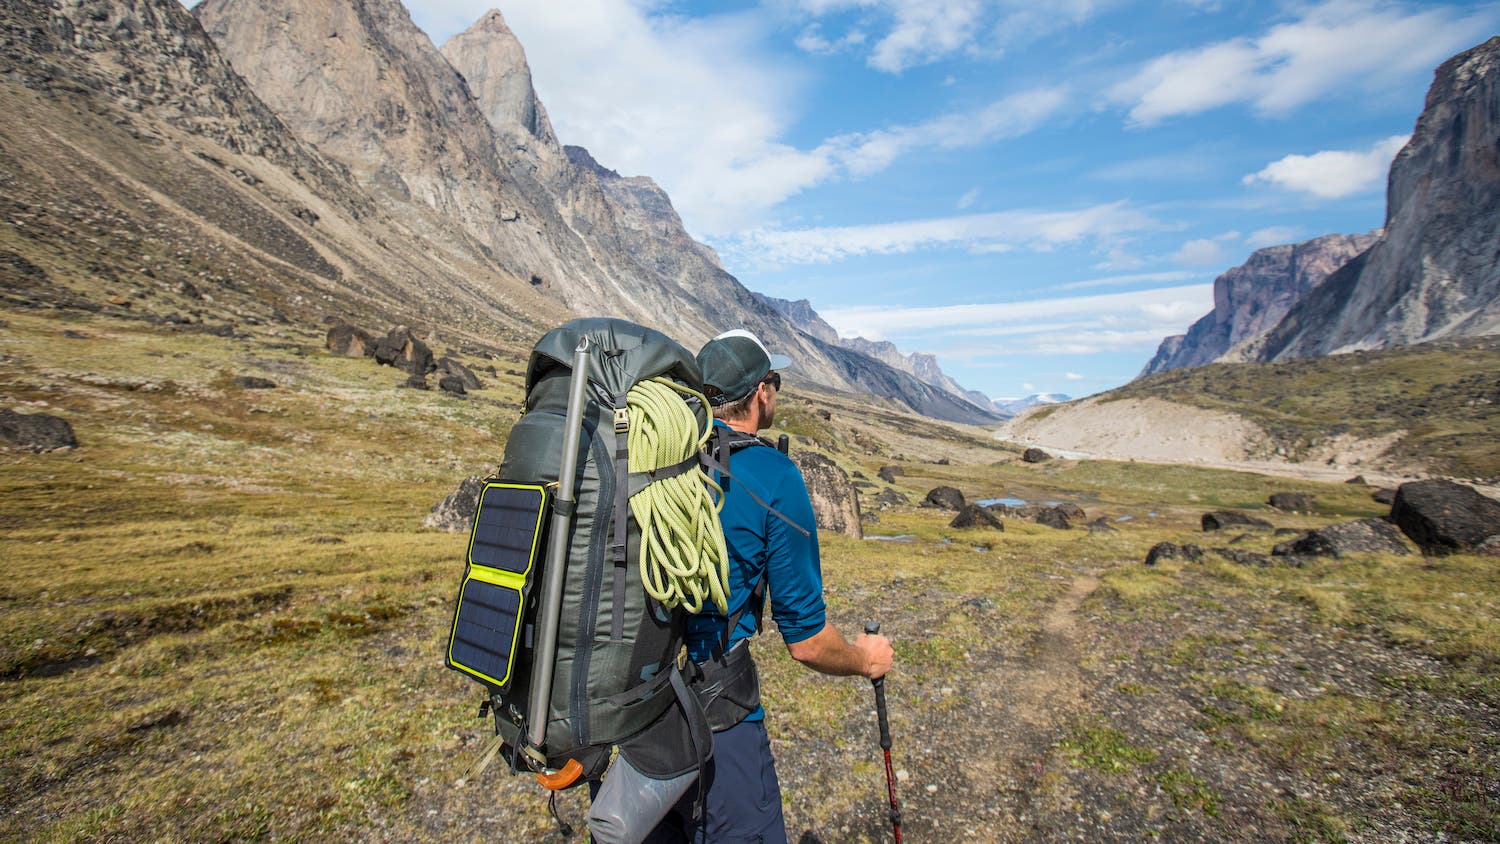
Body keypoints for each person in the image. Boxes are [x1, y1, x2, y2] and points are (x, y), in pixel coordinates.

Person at [645, 329, 895, 843]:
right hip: (718, 712)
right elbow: (806, 643)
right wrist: (865, 659)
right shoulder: (775, 476)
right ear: (762, 392)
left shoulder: (651, 459)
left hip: (634, 703)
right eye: (774, 381)